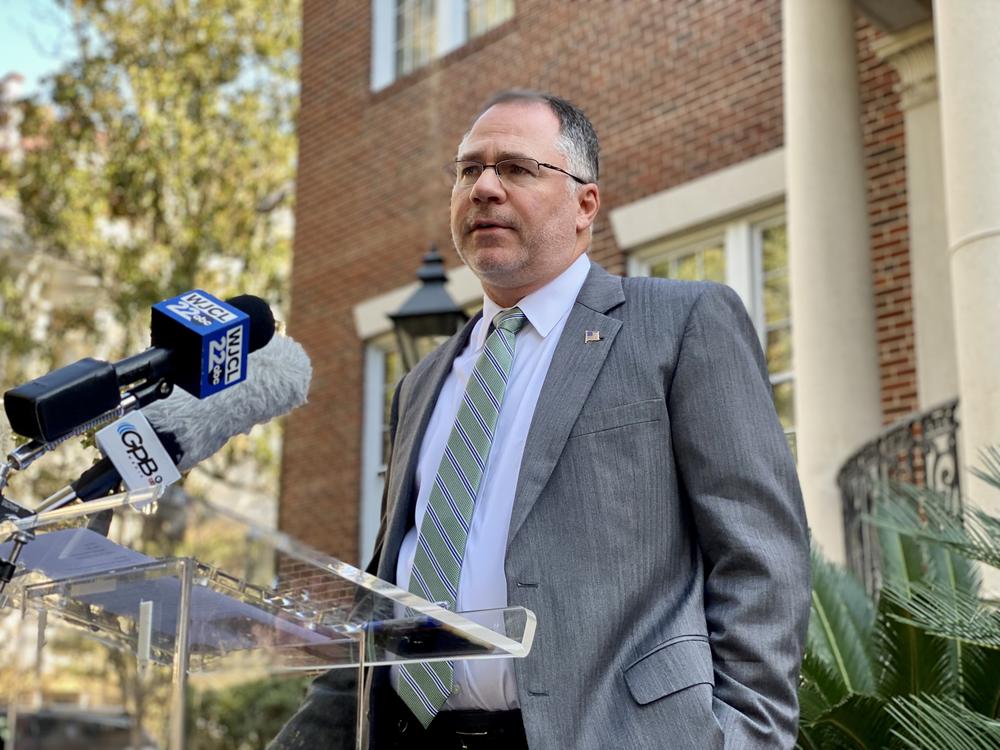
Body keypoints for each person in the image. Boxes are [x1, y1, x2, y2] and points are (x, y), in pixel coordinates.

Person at [273, 90, 810, 750]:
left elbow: (761, 556)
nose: (485, 188)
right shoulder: (422, 382)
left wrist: (745, 737)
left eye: (517, 169)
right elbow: (393, 588)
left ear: (586, 204)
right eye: (469, 170)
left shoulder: (679, 325)